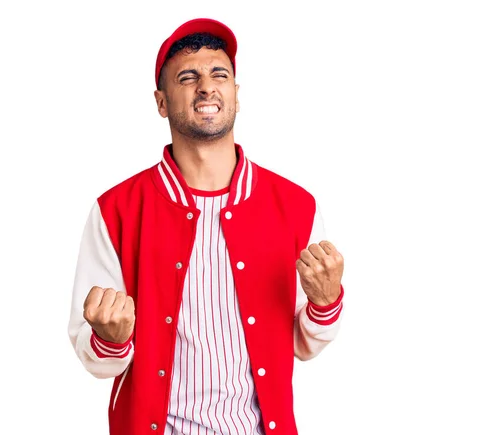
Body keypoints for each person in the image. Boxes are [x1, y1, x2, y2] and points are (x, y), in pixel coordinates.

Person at [68, 17, 345, 435]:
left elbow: (305, 344)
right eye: (188, 76)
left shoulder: (296, 206)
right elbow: (99, 361)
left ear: (236, 93)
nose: (207, 86)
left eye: (220, 74)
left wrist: (325, 302)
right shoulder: (116, 210)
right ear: (161, 102)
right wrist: (111, 337)